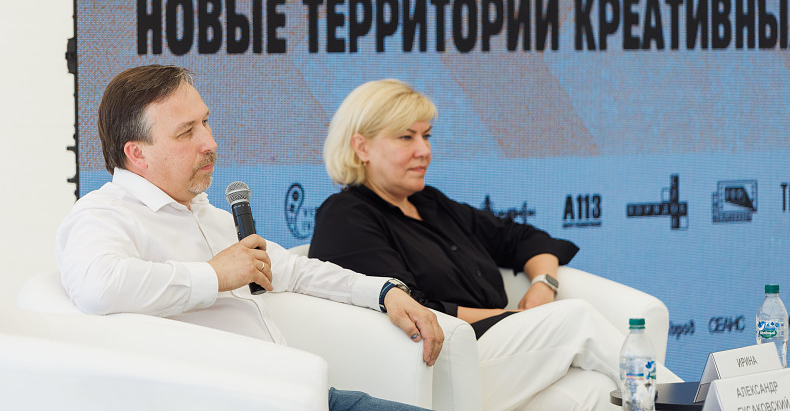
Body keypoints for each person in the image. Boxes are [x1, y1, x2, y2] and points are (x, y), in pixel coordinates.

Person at [55, 65, 443, 411]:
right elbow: (98, 286)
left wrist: (384, 292)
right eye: (187, 132)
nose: (210, 142)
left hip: (302, 394)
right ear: (137, 154)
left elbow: (294, 271)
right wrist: (215, 275)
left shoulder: (205, 214)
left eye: (205, 122)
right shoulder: (104, 214)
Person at [309, 79, 629, 411]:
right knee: (577, 318)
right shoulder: (345, 216)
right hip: (436, 365)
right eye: (406, 137)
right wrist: (514, 318)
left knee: (594, 390)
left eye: (426, 136)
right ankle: (667, 397)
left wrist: (543, 285)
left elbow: (523, 239)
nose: (424, 150)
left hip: (492, 354)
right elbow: (414, 308)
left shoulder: (429, 202)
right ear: (362, 148)